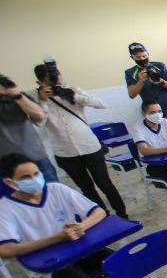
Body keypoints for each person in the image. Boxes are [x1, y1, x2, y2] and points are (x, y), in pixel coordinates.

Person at [0, 153, 139, 278]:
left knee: (121, 264)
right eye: (26, 177)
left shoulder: (56, 189)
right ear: (10, 182)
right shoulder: (6, 209)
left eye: (36, 173)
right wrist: (57, 238)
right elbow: (6, 250)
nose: (34, 179)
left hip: (79, 251)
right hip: (50, 264)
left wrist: (81, 227)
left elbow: (98, 212)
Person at [32, 63, 127, 219]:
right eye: (50, 79)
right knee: (87, 188)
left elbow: (101, 104)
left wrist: (71, 95)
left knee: (105, 184)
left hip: (89, 146)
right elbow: (38, 123)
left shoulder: (73, 90)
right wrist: (43, 101)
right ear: (41, 82)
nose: (56, 80)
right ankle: (102, 217)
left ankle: (123, 215)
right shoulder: (36, 99)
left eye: (57, 75)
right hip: (65, 153)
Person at [0, 73, 58, 183]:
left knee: (51, 189)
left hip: (35, 156)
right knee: (15, 193)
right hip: (5, 163)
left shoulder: (19, 97)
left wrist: (16, 95)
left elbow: (39, 115)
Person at [125, 42, 167, 138]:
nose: (141, 59)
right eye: (138, 57)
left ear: (148, 54)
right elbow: (132, 95)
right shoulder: (130, 72)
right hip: (152, 114)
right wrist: (141, 81)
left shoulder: (159, 66)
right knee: (161, 141)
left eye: (144, 56)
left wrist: (161, 81)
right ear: (132, 57)